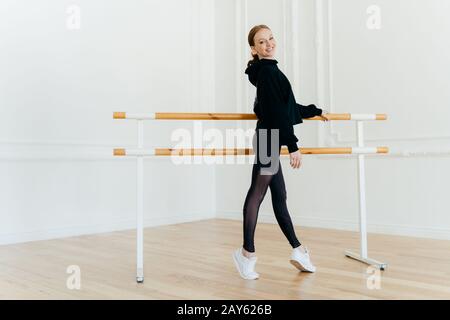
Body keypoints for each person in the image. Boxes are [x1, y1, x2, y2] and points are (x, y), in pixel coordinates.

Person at [232, 25, 330, 280]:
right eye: (262, 42)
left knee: (279, 195)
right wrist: (293, 146)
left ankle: (298, 250)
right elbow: (276, 112)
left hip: (269, 138)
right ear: (254, 49)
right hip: (268, 138)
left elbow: (284, 106)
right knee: (258, 192)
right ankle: (246, 254)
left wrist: (313, 110)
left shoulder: (268, 72)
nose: (269, 44)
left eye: (271, 38)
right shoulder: (267, 73)